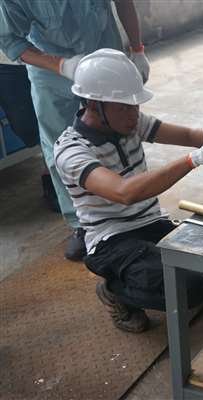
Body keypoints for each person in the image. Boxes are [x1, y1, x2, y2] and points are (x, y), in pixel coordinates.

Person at [54, 49, 203, 333]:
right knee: (189, 289)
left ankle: (151, 276)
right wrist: (194, 159)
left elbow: (188, 135)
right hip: (112, 240)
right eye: (124, 107)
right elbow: (124, 192)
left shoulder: (130, 123)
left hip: (151, 224)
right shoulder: (71, 150)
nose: (134, 114)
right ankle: (115, 290)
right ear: (94, 104)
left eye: (135, 105)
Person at [0, 0, 151, 261]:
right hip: (50, 71)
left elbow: (123, 2)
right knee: (59, 147)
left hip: (103, 55)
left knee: (120, 131)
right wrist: (61, 65)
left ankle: (137, 211)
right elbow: (11, 41)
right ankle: (83, 225)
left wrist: (137, 49)